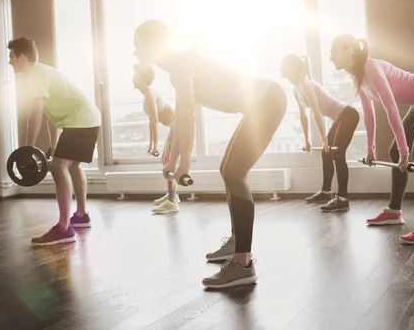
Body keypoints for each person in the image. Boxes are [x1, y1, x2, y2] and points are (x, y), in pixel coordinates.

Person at [133, 19, 287, 288]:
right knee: (228, 171)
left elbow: (189, 115)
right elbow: (181, 115)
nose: (135, 53)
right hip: (264, 101)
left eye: (137, 46)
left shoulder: (179, 65)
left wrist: (183, 164)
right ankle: (237, 244)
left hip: (268, 100)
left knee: (233, 172)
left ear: (151, 43)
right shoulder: (177, 66)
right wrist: (173, 160)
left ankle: (242, 264)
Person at [330, 33, 414, 244]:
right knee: (394, 151)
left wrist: (406, 153)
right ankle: (394, 211)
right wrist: (370, 149)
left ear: (348, 51)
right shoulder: (358, 78)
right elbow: (369, 115)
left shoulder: (371, 67)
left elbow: (391, 109)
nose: (330, 57)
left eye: (333, 51)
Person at [8, 37, 101, 246]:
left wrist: (28, 148)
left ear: (22, 57)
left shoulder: (35, 75)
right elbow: (52, 115)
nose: (9, 61)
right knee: (73, 166)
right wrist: (55, 143)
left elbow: (36, 114)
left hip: (80, 120)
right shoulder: (42, 72)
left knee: (58, 167)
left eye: (11, 56)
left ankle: (64, 228)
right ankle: (81, 216)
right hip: (87, 118)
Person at [280, 54, 359, 211]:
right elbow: (303, 116)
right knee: (326, 153)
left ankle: (343, 199)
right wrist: (306, 140)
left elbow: (316, 113)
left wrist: (324, 139)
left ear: (293, 69)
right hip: (340, 117)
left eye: (284, 66)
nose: (281, 69)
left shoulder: (306, 85)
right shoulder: (297, 90)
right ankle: (326, 192)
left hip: (348, 115)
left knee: (337, 152)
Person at [132, 64, 180, 214]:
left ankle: (172, 202)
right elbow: (151, 122)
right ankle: (173, 196)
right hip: (174, 126)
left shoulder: (150, 92)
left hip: (178, 126)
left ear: (144, 79)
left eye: (136, 76)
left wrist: (154, 146)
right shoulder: (147, 94)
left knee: (168, 162)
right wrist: (152, 145)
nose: (132, 79)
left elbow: (154, 119)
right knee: (166, 161)